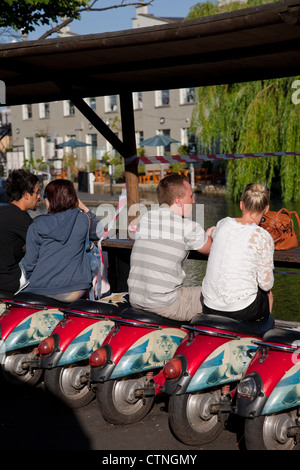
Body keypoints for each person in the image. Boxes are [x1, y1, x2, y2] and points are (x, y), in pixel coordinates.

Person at [128, 173, 214, 321]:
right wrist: (208, 236)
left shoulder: (146, 218)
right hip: (165, 304)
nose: (193, 201)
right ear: (178, 200)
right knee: (217, 296)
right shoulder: (187, 227)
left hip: (136, 298)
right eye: (191, 196)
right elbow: (213, 250)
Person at [22, 179, 104, 302]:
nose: (44, 199)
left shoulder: (38, 224)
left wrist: (36, 280)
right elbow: (101, 232)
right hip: (76, 289)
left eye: (45, 196)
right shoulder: (83, 219)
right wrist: (83, 207)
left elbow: (29, 263)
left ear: (52, 199)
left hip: (42, 289)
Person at [201, 182, 274, 322]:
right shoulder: (263, 237)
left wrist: (209, 232)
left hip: (209, 304)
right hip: (240, 309)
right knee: (268, 294)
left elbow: (215, 236)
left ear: (241, 205)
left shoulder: (223, 224)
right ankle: (262, 332)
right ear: (266, 209)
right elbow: (266, 284)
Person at [0, 169, 40, 295]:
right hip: (8, 281)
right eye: (36, 193)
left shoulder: (3, 211)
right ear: (26, 195)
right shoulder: (22, 218)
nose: (38, 197)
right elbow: (43, 244)